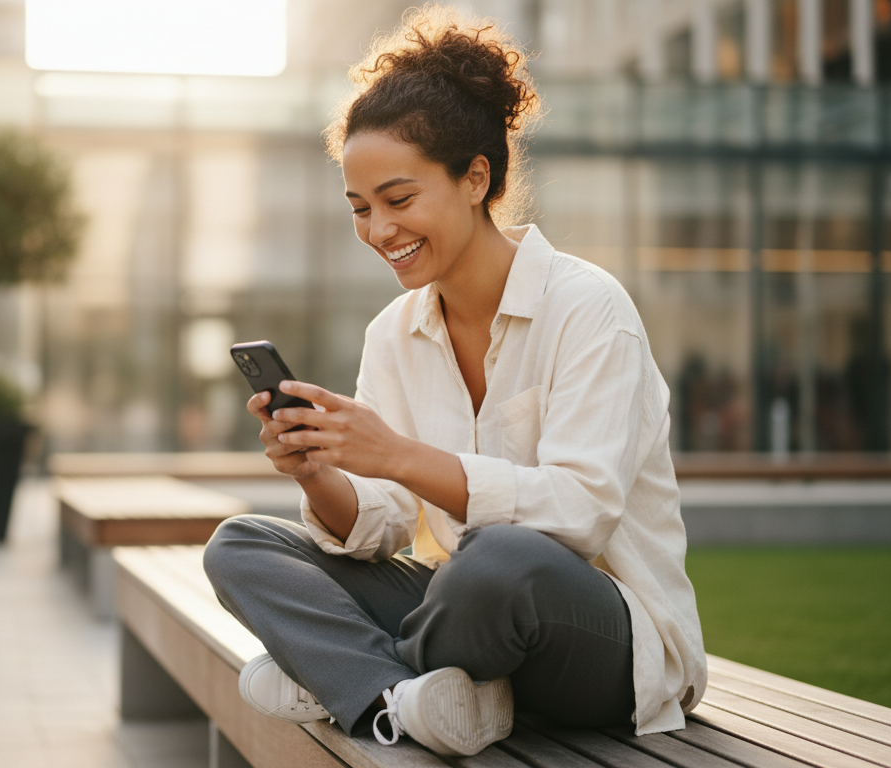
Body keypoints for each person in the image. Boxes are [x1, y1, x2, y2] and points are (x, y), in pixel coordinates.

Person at [203, 6, 706, 757]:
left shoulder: (589, 308)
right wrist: (321, 478)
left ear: (476, 178)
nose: (379, 231)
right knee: (239, 545)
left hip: (598, 637)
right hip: (466, 617)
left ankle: (343, 675)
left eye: (399, 200)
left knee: (496, 559)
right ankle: (400, 697)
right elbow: (383, 523)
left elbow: (581, 512)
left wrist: (398, 454)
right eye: (361, 209)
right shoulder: (394, 334)